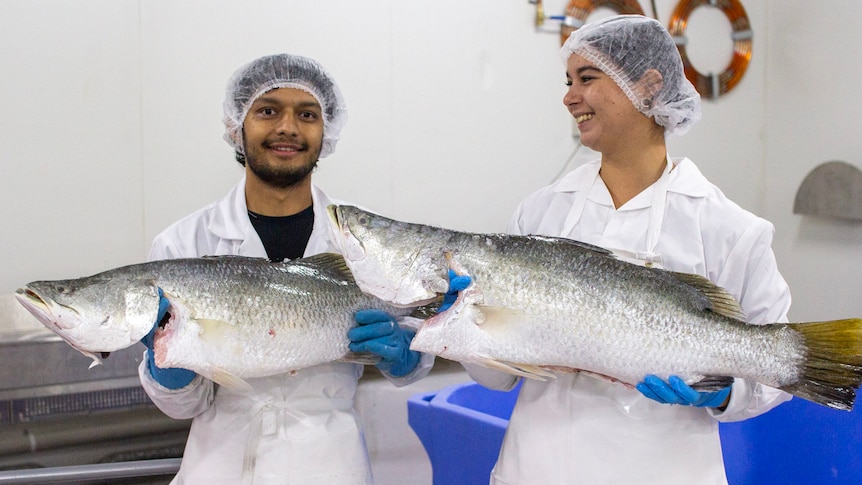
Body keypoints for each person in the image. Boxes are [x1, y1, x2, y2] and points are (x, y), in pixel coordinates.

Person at [462, 15, 793, 484]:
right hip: (537, 468)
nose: (569, 96)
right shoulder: (541, 214)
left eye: (587, 78)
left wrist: (719, 393)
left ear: (648, 84)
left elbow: (778, 369)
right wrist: (468, 321)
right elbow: (498, 378)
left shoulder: (728, 230)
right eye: (568, 81)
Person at [137, 53, 433, 484]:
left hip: (330, 464)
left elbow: (418, 345)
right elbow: (184, 407)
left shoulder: (369, 240)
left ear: (325, 129)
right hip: (220, 465)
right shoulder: (184, 244)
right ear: (238, 125)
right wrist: (169, 365)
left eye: (307, 114)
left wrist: (407, 357)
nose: (288, 128)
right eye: (268, 110)